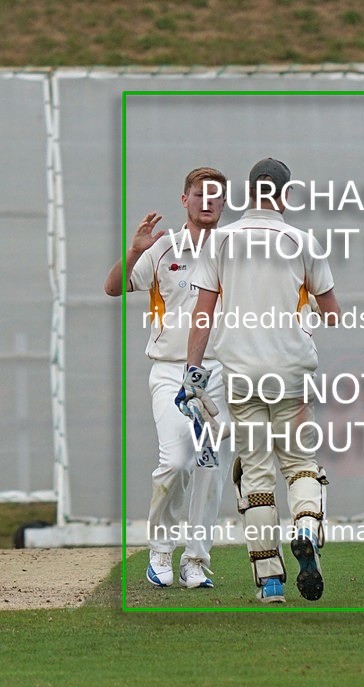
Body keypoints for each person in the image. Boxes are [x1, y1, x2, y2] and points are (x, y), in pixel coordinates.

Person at [179, 157, 341, 604]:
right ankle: (307, 527)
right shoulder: (302, 240)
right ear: (285, 196)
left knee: (255, 472)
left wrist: (193, 372)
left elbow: (203, 313)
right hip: (291, 373)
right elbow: (333, 314)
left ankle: (270, 581)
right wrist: (301, 323)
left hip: (242, 373)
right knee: (301, 463)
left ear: (250, 193)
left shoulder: (222, 240)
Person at [103, 166, 232, 589]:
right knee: (176, 460)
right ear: (185, 200)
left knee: (208, 465)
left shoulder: (235, 251)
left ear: (225, 201)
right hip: (170, 370)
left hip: (217, 372)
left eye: (216, 195)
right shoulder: (163, 249)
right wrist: (133, 250)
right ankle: (160, 548)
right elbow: (113, 287)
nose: (208, 201)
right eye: (199, 194)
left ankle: (196, 559)